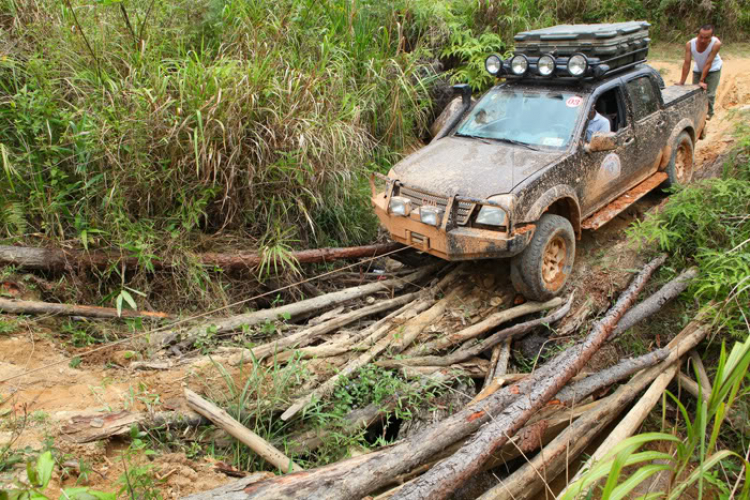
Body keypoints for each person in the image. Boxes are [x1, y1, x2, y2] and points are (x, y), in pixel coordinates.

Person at [679, 24, 722, 119]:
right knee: (695, 91)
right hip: (698, 68)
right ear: (698, 34)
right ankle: (696, 112)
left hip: (713, 69)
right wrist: (682, 81)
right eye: (701, 37)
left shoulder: (716, 44)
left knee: (709, 93)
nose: (703, 40)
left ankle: (709, 113)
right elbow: (687, 63)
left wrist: (702, 81)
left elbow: (708, 63)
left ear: (712, 37)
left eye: (706, 38)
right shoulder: (690, 44)